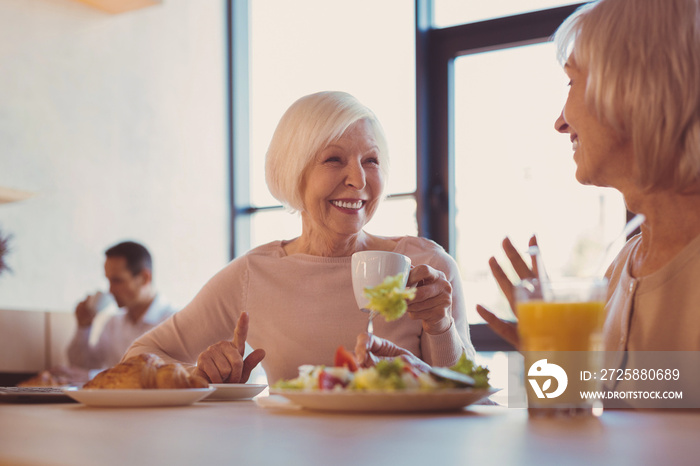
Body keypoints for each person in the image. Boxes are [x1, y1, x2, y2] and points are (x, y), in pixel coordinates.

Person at [125, 91, 475, 384]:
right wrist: (202, 375)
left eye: (370, 160)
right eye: (334, 159)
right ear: (295, 174)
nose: (359, 179)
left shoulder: (428, 268)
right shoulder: (254, 275)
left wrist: (439, 324)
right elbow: (141, 355)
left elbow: (469, 390)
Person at [476, 0, 700, 352]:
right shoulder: (619, 270)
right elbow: (615, 404)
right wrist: (554, 354)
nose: (560, 123)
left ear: (634, 90)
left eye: (571, 81)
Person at [67, 241, 177, 370]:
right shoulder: (114, 323)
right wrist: (83, 326)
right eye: (108, 280)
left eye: (117, 281)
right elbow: (82, 367)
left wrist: (92, 377)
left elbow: (168, 376)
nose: (110, 290)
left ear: (144, 278)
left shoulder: (173, 323)